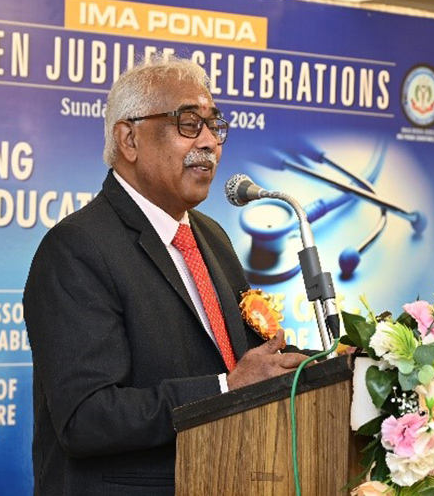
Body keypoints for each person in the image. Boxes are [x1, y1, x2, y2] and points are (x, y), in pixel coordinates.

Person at [23, 57, 307, 495]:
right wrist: (224, 388)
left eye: (214, 126)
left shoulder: (211, 237)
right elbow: (86, 417)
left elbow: (246, 362)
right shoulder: (76, 248)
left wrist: (326, 363)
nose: (209, 142)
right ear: (129, 138)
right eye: (188, 124)